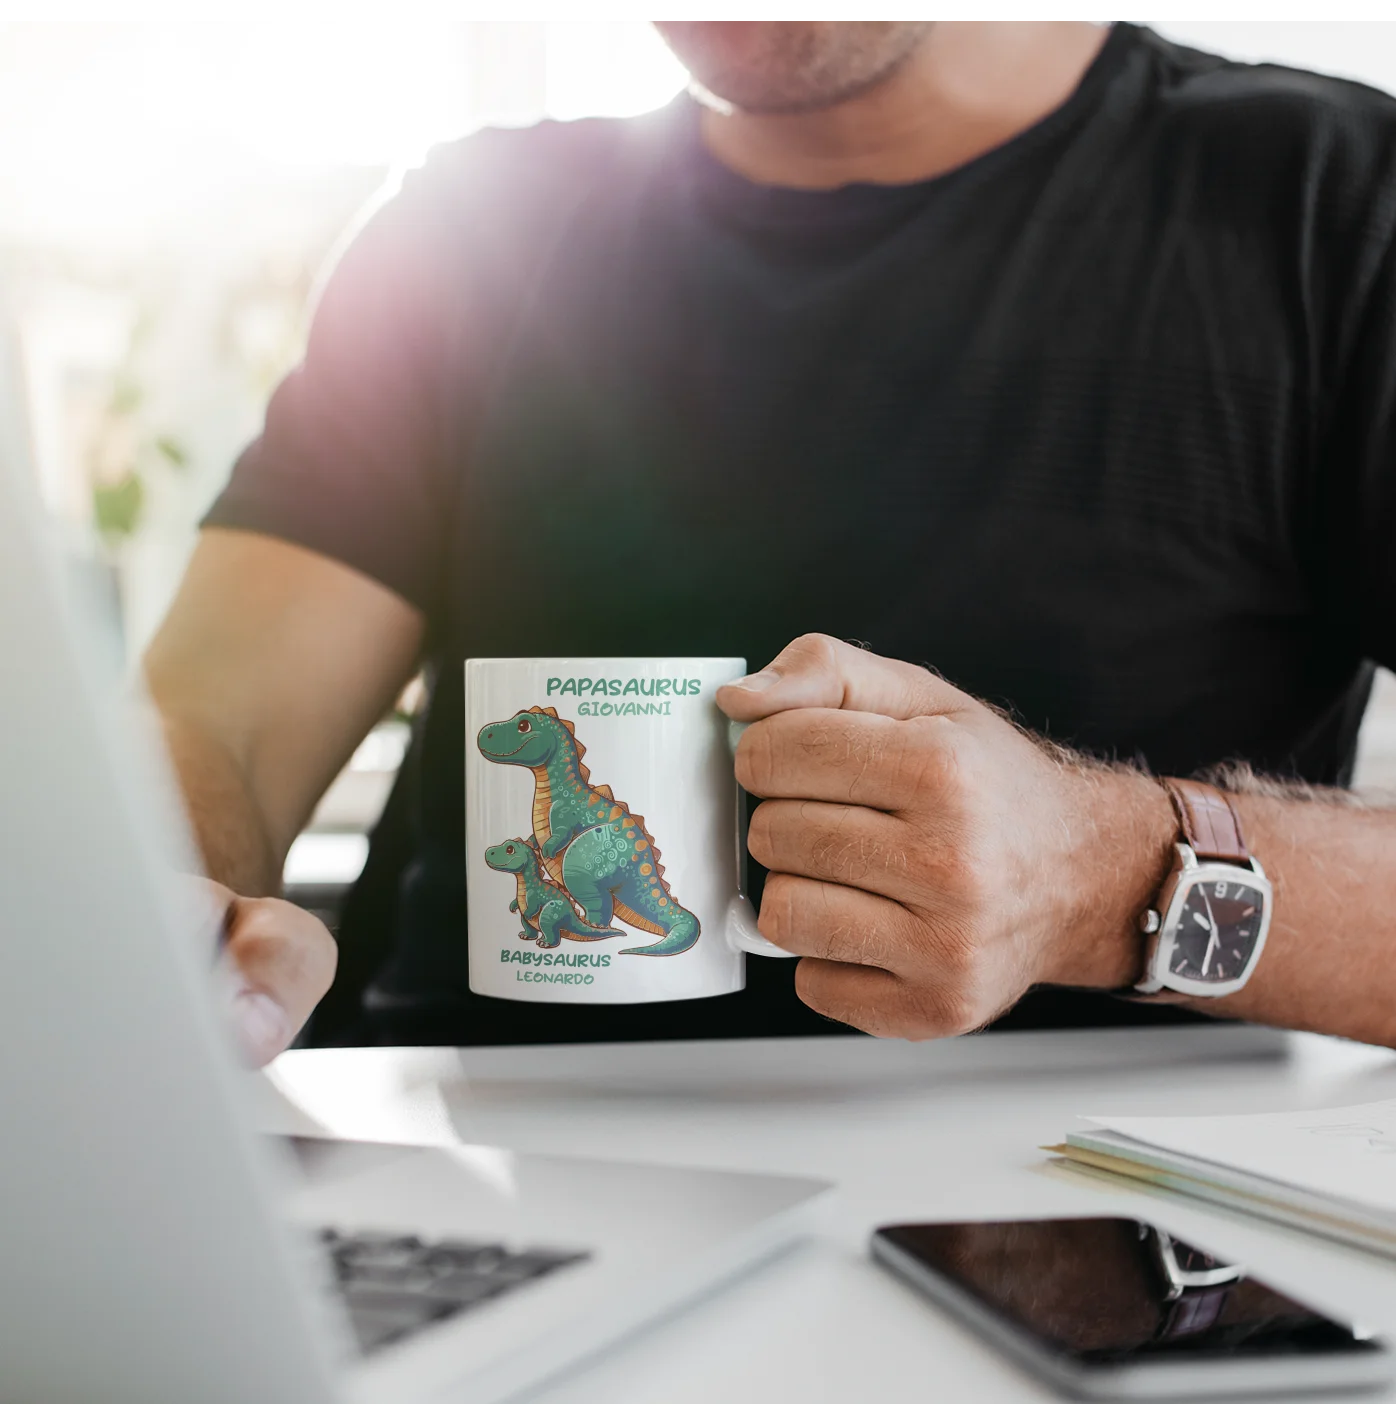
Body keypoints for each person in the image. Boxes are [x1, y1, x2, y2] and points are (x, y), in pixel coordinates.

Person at [144, 18, 1396, 1066]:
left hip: (1076, 1206)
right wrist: (163, 908)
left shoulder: (1335, 203)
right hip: (459, 1174)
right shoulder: (470, 226)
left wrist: (1103, 878)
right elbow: (217, 728)